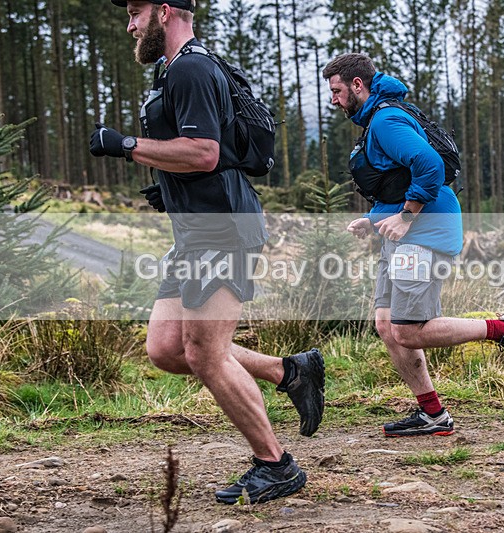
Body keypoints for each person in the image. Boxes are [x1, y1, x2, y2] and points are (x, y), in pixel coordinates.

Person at [89, 0, 324, 505]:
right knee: (167, 348)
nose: (130, 25)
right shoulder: (175, 69)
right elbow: (200, 154)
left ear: (164, 11)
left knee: (205, 353)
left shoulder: (191, 68)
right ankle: (289, 371)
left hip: (222, 228)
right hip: (197, 229)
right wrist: (168, 185)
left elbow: (204, 152)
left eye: (135, 13)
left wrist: (125, 144)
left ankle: (275, 464)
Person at [323, 53, 504, 437]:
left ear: (357, 85)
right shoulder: (376, 119)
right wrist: (373, 219)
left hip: (423, 234)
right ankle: (433, 414)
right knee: (387, 324)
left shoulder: (386, 120)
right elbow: (397, 183)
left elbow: (429, 165)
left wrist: (407, 216)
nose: (333, 100)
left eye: (337, 91)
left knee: (408, 330)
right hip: (405, 235)